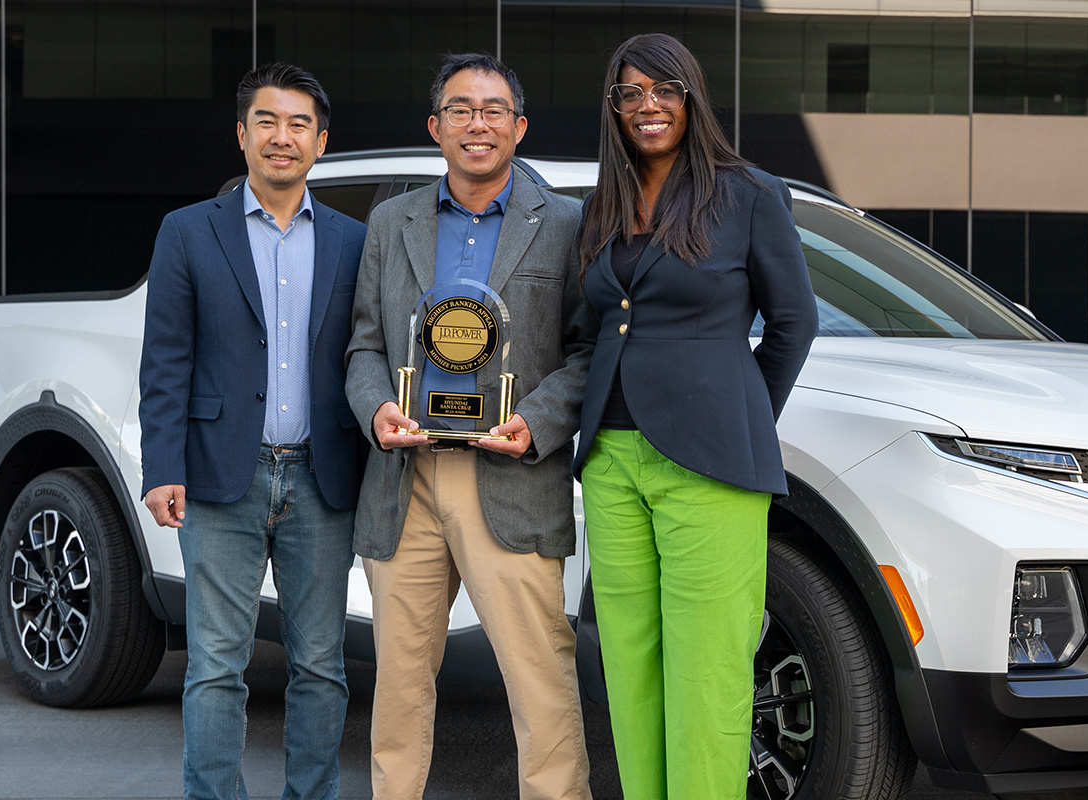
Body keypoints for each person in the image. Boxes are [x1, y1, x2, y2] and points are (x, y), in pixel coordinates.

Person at [343, 52, 595, 800]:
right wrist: (376, 410)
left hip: (511, 478)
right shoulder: (392, 223)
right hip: (405, 479)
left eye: (492, 110)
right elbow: (364, 344)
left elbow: (589, 350)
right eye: (459, 109)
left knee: (540, 685)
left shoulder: (569, 225)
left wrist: (537, 421)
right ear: (435, 126)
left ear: (518, 127)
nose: (475, 123)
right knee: (398, 689)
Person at [573, 33, 818, 800]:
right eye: (631, 93)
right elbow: (590, 329)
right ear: (613, 108)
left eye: (664, 90)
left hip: (709, 463)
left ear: (691, 97)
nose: (648, 106)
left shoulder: (748, 193)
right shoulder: (602, 204)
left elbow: (794, 325)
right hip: (611, 460)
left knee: (707, 667)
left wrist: (740, 414)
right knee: (633, 665)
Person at [137, 63, 368, 800]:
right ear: (241, 136)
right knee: (214, 665)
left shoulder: (351, 240)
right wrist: (161, 466)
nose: (282, 137)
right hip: (216, 476)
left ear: (321, 142)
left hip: (322, 476)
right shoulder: (187, 232)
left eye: (299, 124)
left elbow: (369, 354)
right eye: (266, 121)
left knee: (320, 667)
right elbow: (166, 361)